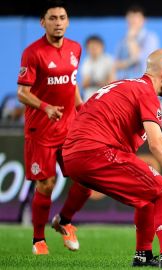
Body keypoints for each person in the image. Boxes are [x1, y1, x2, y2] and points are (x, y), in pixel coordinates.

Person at [62, 49, 162, 267]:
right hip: (96, 151)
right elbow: (157, 144)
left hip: (72, 155)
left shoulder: (123, 85)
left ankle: (143, 255)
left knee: (146, 198)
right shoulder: (146, 93)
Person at [16, 0, 92, 255]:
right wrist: (46, 107)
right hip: (41, 131)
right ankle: (39, 239)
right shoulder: (33, 52)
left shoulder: (75, 48)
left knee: (86, 180)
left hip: (69, 129)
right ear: (43, 22)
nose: (58, 22)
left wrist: (82, 108)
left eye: (62, 17)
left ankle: (66, 221)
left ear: (67, 21)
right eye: (52, 18)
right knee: (46, 185)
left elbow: (72, 83)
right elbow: (22, 93)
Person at [115, 4, 160, 80]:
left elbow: (138, 58)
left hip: (142, 83)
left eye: (136, 17)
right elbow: (116, 64)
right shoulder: (122, 41)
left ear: (144, 20)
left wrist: (131, 38)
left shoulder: (150, 38)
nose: (133, 21)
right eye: (130, 17)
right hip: (124, 83)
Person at [80, 35, 115, 100]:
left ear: (102, 47)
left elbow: (112, 82)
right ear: (87, 49)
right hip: (89, 97)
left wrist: (94, 83)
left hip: (106, 96)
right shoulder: (86, 62)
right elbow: (84, 84)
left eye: (96, 47)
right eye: (91, 47)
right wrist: (100, 83)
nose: (94, 49)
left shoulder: (109, 60)